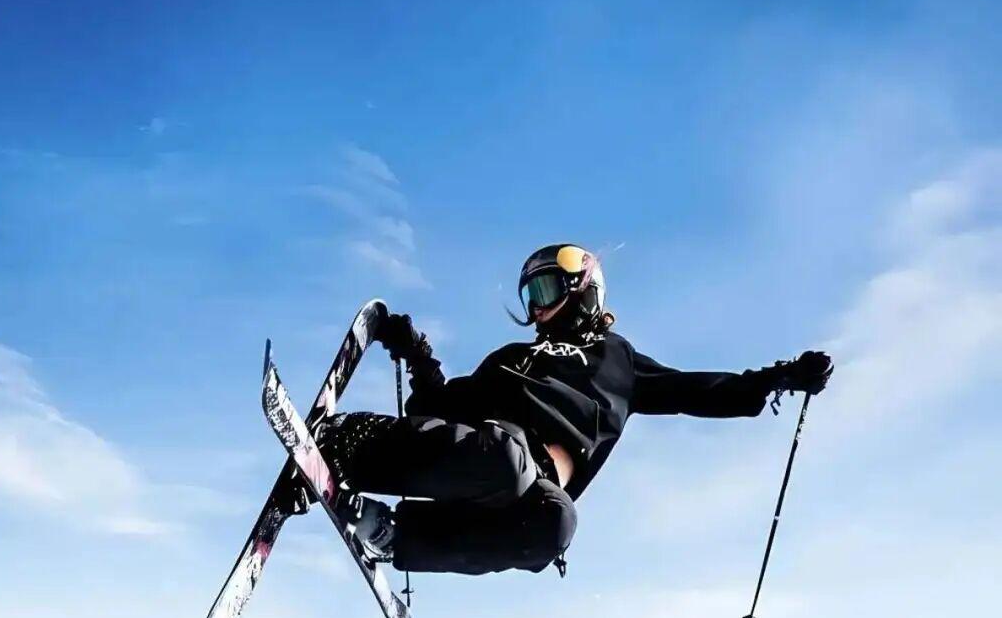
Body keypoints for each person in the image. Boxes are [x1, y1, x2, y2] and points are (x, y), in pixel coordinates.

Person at [316, 244, 832, 578]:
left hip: (525, 491)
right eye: (530, 296)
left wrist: (780, 377)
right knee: (502, 458)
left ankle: (398, 537)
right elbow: (438, 407)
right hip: (491, 455)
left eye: (544, 290)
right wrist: (416, 353)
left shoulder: (618, 362)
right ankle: (349, 443)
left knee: (556, 522)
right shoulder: (512, 359)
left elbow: (698, 390)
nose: (537, 308)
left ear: (583, 289)